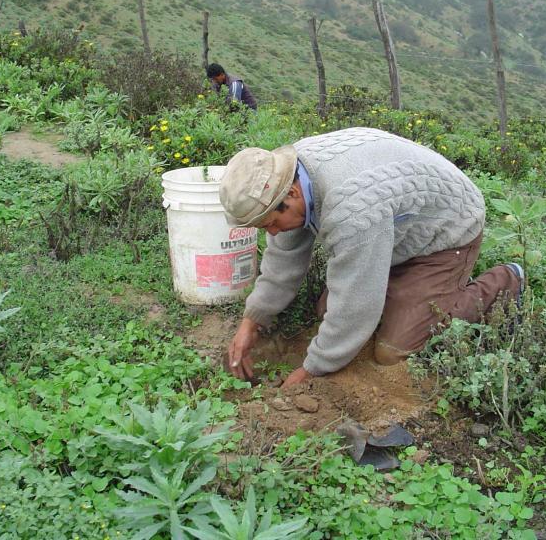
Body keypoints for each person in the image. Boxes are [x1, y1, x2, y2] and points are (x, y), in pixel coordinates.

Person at [219, 127, 525, 387]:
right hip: (395, 227)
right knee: (327, 309)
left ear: (293, 195)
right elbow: (283, 258)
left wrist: (311, 371)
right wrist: (252, 321)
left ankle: (505, 281)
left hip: (447, 229)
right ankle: (406, 291)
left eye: (271, 223)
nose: (272, 233)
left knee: (393, 350)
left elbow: (356, 304)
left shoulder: (350, 211)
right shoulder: (283, 175)